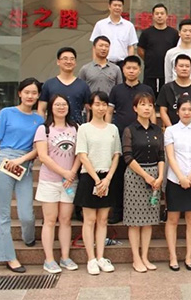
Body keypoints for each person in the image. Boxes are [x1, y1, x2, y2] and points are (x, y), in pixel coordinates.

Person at [0, 78, 44, 273]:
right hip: (4, 163)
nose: (30, 96)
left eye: (34, 93)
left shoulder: (39, 120)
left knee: (27, 214)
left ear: (38, 96)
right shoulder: (6, 113)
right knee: (3, 214)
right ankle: (9, 257)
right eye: (27, 92)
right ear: (20, 93)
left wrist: (22, 160)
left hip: (23, 165)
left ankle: (29, 238)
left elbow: (38, 149)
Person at [74, 91, 121, 275]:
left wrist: (107, 179)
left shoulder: (113, 129)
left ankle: (101, 257)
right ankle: (91, 259)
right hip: (89, 177)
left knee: (102, 220)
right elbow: (82, 155)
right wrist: (97, 180)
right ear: (90, 106)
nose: (101, 108)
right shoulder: (84, 128)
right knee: (90, 220)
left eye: (104, 104)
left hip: (107, 178)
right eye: (97, 104)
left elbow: (116, 155)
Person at [35, 94, 80, 274]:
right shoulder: (44, 129)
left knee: (66, 220)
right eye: (57, 104)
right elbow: (43, 156)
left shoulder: (75, 128)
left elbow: (80, 154)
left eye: (64, 104)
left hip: (69, 182)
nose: (61, 107)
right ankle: (49, 260)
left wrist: (72, 173)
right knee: (50, 220)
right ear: (51, 108)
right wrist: (64, 173)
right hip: (49, 181)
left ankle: (65, 257)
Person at [106, 55, 155, 224]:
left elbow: (151, 112)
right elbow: (109, 112)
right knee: (119, 174)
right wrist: (108, 131)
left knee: (142, 172)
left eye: (135, 68)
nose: (131, 71)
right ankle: (118, 211)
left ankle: (142, 210)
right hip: (120, 136)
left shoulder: (147, 89)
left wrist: (153, 131)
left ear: (140, 70)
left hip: (142, 137)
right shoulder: (116, 90)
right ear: (123, 70)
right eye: (128, 68)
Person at [122, 92, 165, 273]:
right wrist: (145, 176)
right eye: (142, 104)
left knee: (148, 221)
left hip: (155, 175)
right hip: (135, 176)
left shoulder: (157, 130)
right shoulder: (129, 130)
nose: (147, 108)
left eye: (149, 105)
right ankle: (136, 258)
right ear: (135, 108)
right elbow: (127, 157)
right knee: (134, 222)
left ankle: (145, 256)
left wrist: (160, 176)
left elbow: (161, 155)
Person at [164, 96, 191, 271]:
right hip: (175, 179)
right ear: (177, 112)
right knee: (172, 219)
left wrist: (190, 176)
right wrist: (181, 177)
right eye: (183, 109)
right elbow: (170, 156)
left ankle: (189, 256)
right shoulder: (171, 131)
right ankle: (173, 256)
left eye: (190, 109)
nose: (187, 112)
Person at [38, 47, 91, 124]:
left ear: (75, 63)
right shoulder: (49, 84)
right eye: (65, 59)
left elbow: (89, 110)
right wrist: (44, 126)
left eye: (72, 59)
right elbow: (41, 109)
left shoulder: (83, 85)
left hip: (76, 128)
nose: (69, 62)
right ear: (58, 62)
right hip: (53, 128)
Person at [137, 3, 179, 96]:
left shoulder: (173, 33)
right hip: (151, 72)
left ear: (166, 16)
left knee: (166, 97)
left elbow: (177, 50)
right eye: (157, 14)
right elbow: (140, 50)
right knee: (148, 96)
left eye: (162, 13)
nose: (159, 16)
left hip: (167, 72)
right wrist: (149, 59)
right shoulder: (146, 33)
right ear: (153, 16)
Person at [157, 54, 191, 127]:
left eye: (187, 66)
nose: (184, 69)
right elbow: (163, 111)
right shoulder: (166, 88)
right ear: (175, 68)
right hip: (172, 128)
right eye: (181, 66)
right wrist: (171, 129)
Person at [89, 0, 138, 67]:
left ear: (122, 8)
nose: (117, 8)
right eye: (115, 5)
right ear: (109, 7)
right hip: (104, 63)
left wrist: (130, 65)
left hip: (123, 64)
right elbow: (95, 46)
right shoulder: (100, 24)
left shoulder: (129, 26)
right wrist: (95, 64)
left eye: (119, 6)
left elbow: (131, 47)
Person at [164, 19, 191, 88]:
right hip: (175, 90)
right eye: (184, 31)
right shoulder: (170, 53)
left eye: (190, 31)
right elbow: (168, 77)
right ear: (179, 33)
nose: (187, 34)